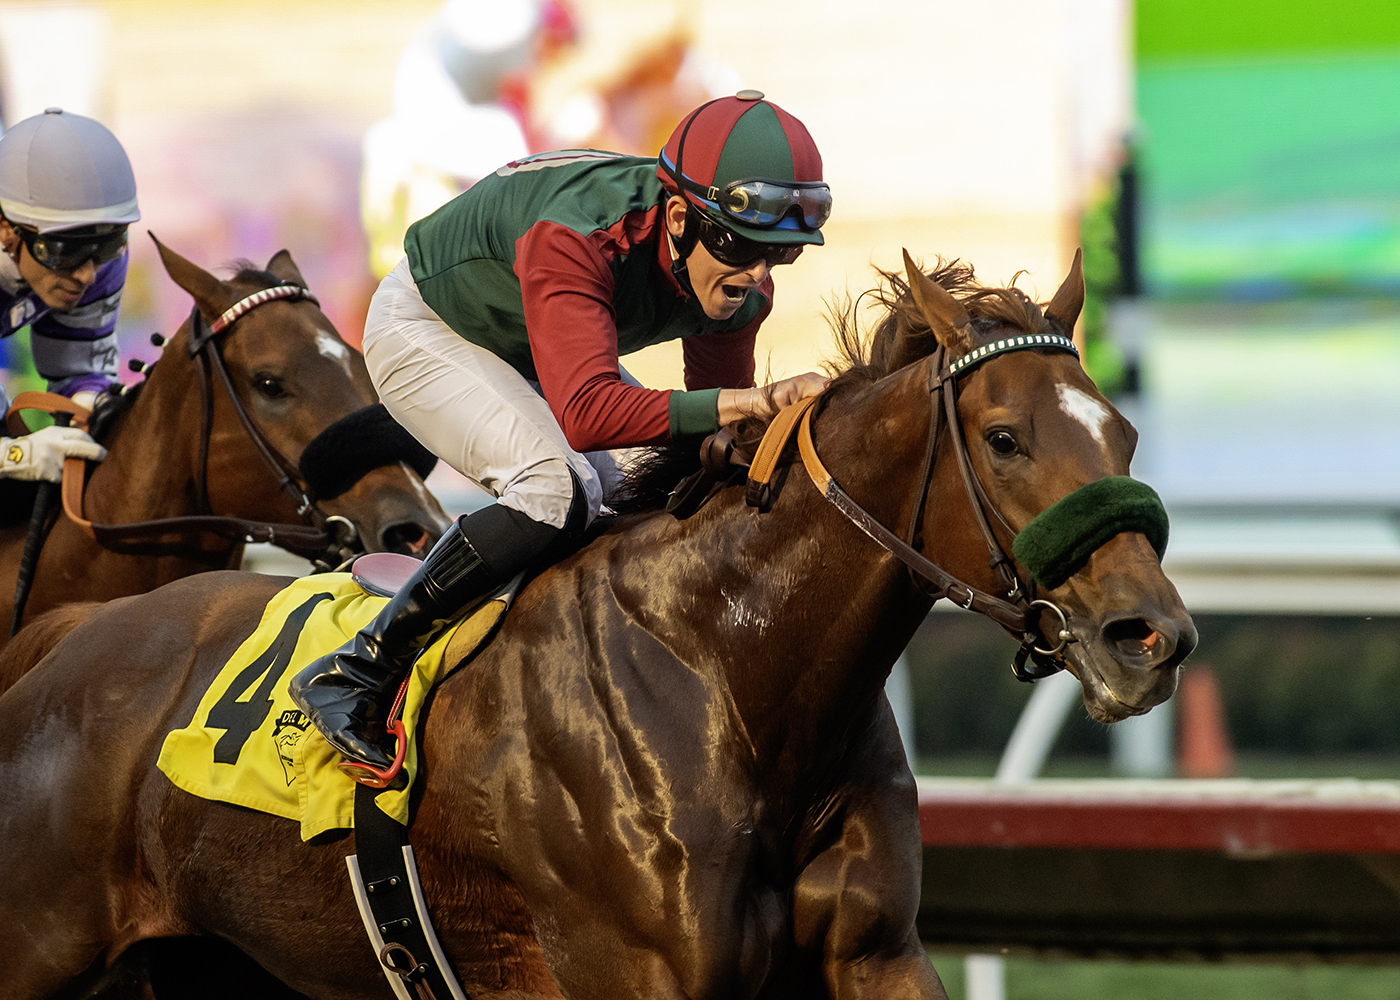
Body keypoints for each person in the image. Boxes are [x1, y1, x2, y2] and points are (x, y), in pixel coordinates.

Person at [293, 91, 833, 772]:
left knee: (666, 478)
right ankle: (358, 670)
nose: (757, 275)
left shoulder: (739, 285)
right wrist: (744, 402)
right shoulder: (578, 234)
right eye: (741, 245)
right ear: (676, 217)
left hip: (532, 350)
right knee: (555, 489)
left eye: (780, 255)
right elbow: (587, 416)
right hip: (427, 328)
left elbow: (706, 422)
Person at [0, 107, 138, 482]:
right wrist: (11, 454)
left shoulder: (99, 265)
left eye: (106, 245)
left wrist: (94, 407)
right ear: (6, 231)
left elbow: (81, 373)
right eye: (65, 251)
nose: (87, 274)